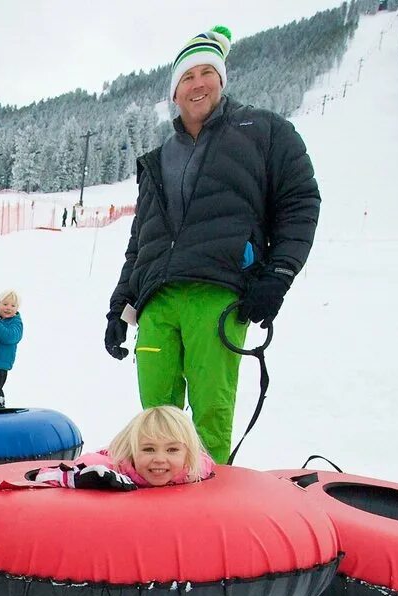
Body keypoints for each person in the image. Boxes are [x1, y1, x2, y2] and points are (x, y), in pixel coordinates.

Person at [104, 25, 320, 463]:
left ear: (221, 80)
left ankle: (208, 511)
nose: (197, 83)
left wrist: (279, 272)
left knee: (210, 417)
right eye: (187, 76)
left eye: (207, 72)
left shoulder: (264, 131)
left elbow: (300, 201)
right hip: (157, 303)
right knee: (157, 420)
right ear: (174, 91)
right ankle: (159, 513)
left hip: (217, 293)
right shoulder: (159, 156)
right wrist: (120, 306)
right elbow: (142, 240)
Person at [0, 405, 214, 492]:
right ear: (133, 451)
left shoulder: (190, 468)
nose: (159, 459)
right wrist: (83, 479)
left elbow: (206, 464)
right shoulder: (110, 468)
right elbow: (67, 470)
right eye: (148, 449)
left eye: (172, 450)